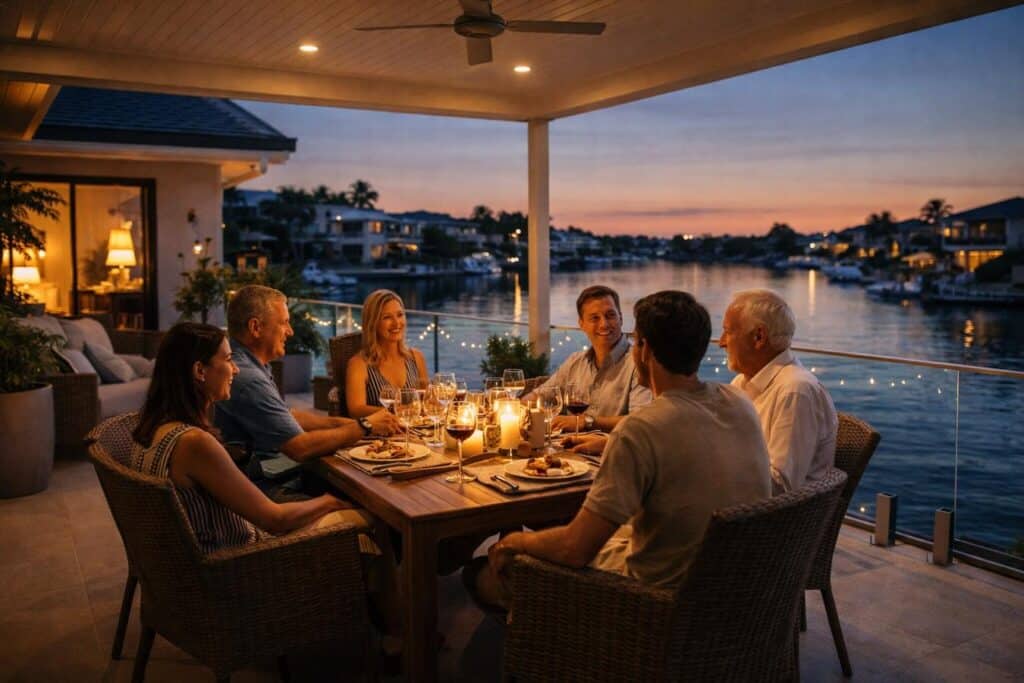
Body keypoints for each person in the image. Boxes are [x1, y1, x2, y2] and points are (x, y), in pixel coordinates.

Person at [473, 291, 771, 606]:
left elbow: (574, 549)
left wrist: (516, 541)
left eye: (635, 340)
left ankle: (546, 629)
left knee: (484, 573)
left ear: (645, 350)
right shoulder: (740, 402)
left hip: (653, 603)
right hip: (737, 589)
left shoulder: (642, 428)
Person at [129, 322, 402, 645]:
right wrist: (331, 502)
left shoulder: (154, 428)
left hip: (196, 564)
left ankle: (367, 617)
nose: (235, 369)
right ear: (200, 371)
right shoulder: (195, 444)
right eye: (227, 360)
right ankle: (396, 636)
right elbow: (274, 519)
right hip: (241, 565)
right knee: (376, 520)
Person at [215, 285, 399, 500]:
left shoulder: (250, 364)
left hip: (268, 476)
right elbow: (300, 448)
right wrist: (365, 427)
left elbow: (287, 415)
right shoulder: (249, 379)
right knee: (370, 499)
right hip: (262, 490)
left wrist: (349, 424)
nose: (290, 331)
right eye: (284, 322)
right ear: (255, 327)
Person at [719, 288, 838, 495]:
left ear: (759, 337)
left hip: (778, 514)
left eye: (728, 332)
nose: (721, 342)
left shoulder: (795, 391)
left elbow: (780, 486)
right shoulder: (742, 383)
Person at [526, 285, 651, 433]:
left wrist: (586, 422)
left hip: (611, 446)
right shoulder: (574, 362)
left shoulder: (639, 363)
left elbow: (640, 421)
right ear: (581, 324)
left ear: (621, 318)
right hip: (568, 445)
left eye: (610, 315)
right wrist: (518, 408)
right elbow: (539, 395)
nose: (604, 324)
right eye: (595, 318)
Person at [346, 289, 429, 418]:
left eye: (400, 315)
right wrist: (397, 411)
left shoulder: (416, 358)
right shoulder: (359, 364)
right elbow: (356, 410)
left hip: (416, 429)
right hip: (380, 430)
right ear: (373, 323)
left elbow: (428, 400)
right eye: (387, 317)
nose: (396, 323)